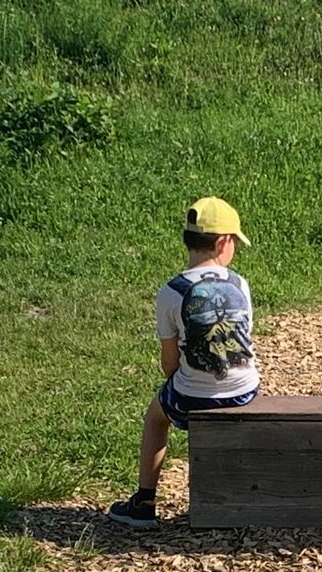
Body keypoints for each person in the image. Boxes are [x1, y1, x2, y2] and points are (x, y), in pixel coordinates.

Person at [108, 196, 260, 528]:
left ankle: (144, 502)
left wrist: (183, 377)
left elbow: (169, 362)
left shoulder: (171, 292)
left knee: (155, 417)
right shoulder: (239, 284)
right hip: (244, 391)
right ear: (223, 242)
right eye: (234, 242)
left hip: (193, 396)